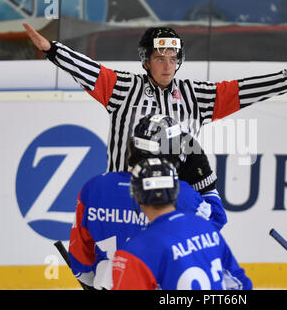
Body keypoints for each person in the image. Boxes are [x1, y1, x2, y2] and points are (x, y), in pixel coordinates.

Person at [23, 23, 287, 172]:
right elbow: (88, 69)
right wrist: (52, 50)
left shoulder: (196, 96)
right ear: (145, 61)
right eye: (159, 57)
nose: (167, 65)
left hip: (172, 204)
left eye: (173, 58)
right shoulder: (122, 87)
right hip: (124, 198)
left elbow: (240, 90)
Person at [68, 114, 226, 290]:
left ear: (133, 147)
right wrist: (206, 185)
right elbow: (215, 223)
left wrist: (97, 280)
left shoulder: (95, 188)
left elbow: (80, 260)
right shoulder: (182, 195)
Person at [111, 157, 252, 290]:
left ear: (135, 196)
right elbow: (240, 283)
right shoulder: (205, 226)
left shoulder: (135, 251)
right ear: (176, 191)